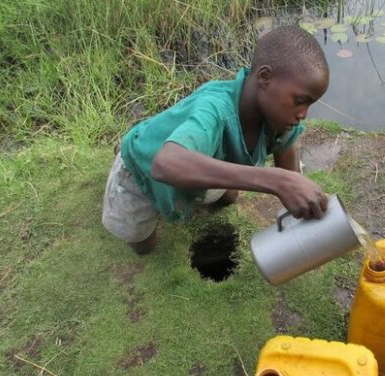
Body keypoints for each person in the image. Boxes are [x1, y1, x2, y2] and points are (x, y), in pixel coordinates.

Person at [102, 25, 330, 254]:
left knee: (228, 197)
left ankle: (192, 180)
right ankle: (127, 148)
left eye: (310, 104)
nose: (303, 114)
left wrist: (296, 189)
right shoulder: (213, 110)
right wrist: (277, 181)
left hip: (199, 156)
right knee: (143, 244)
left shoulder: (279, 120)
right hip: (142, 169)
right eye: (300, 100)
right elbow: (164, 164)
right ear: (265, 77)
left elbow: (288, 152)